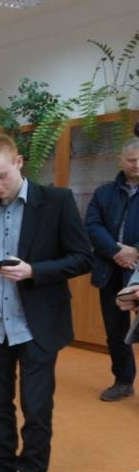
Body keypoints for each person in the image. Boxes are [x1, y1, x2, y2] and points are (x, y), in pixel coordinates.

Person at [0, 134, 91, 472]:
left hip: (37, 326)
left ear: (19, 162)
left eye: (2, 176)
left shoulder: (57, 201)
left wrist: (35, 271)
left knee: (36, 410)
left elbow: (82, 257)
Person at [85, 137, 139, 402]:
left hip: (138, 269)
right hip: (109, 269)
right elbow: (92, 226)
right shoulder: (103, 192)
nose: (137, 164)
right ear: (121, 160)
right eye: (131, 160)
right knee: (115, 330)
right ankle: (123, 381)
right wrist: (117, 252)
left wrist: (135, 250)